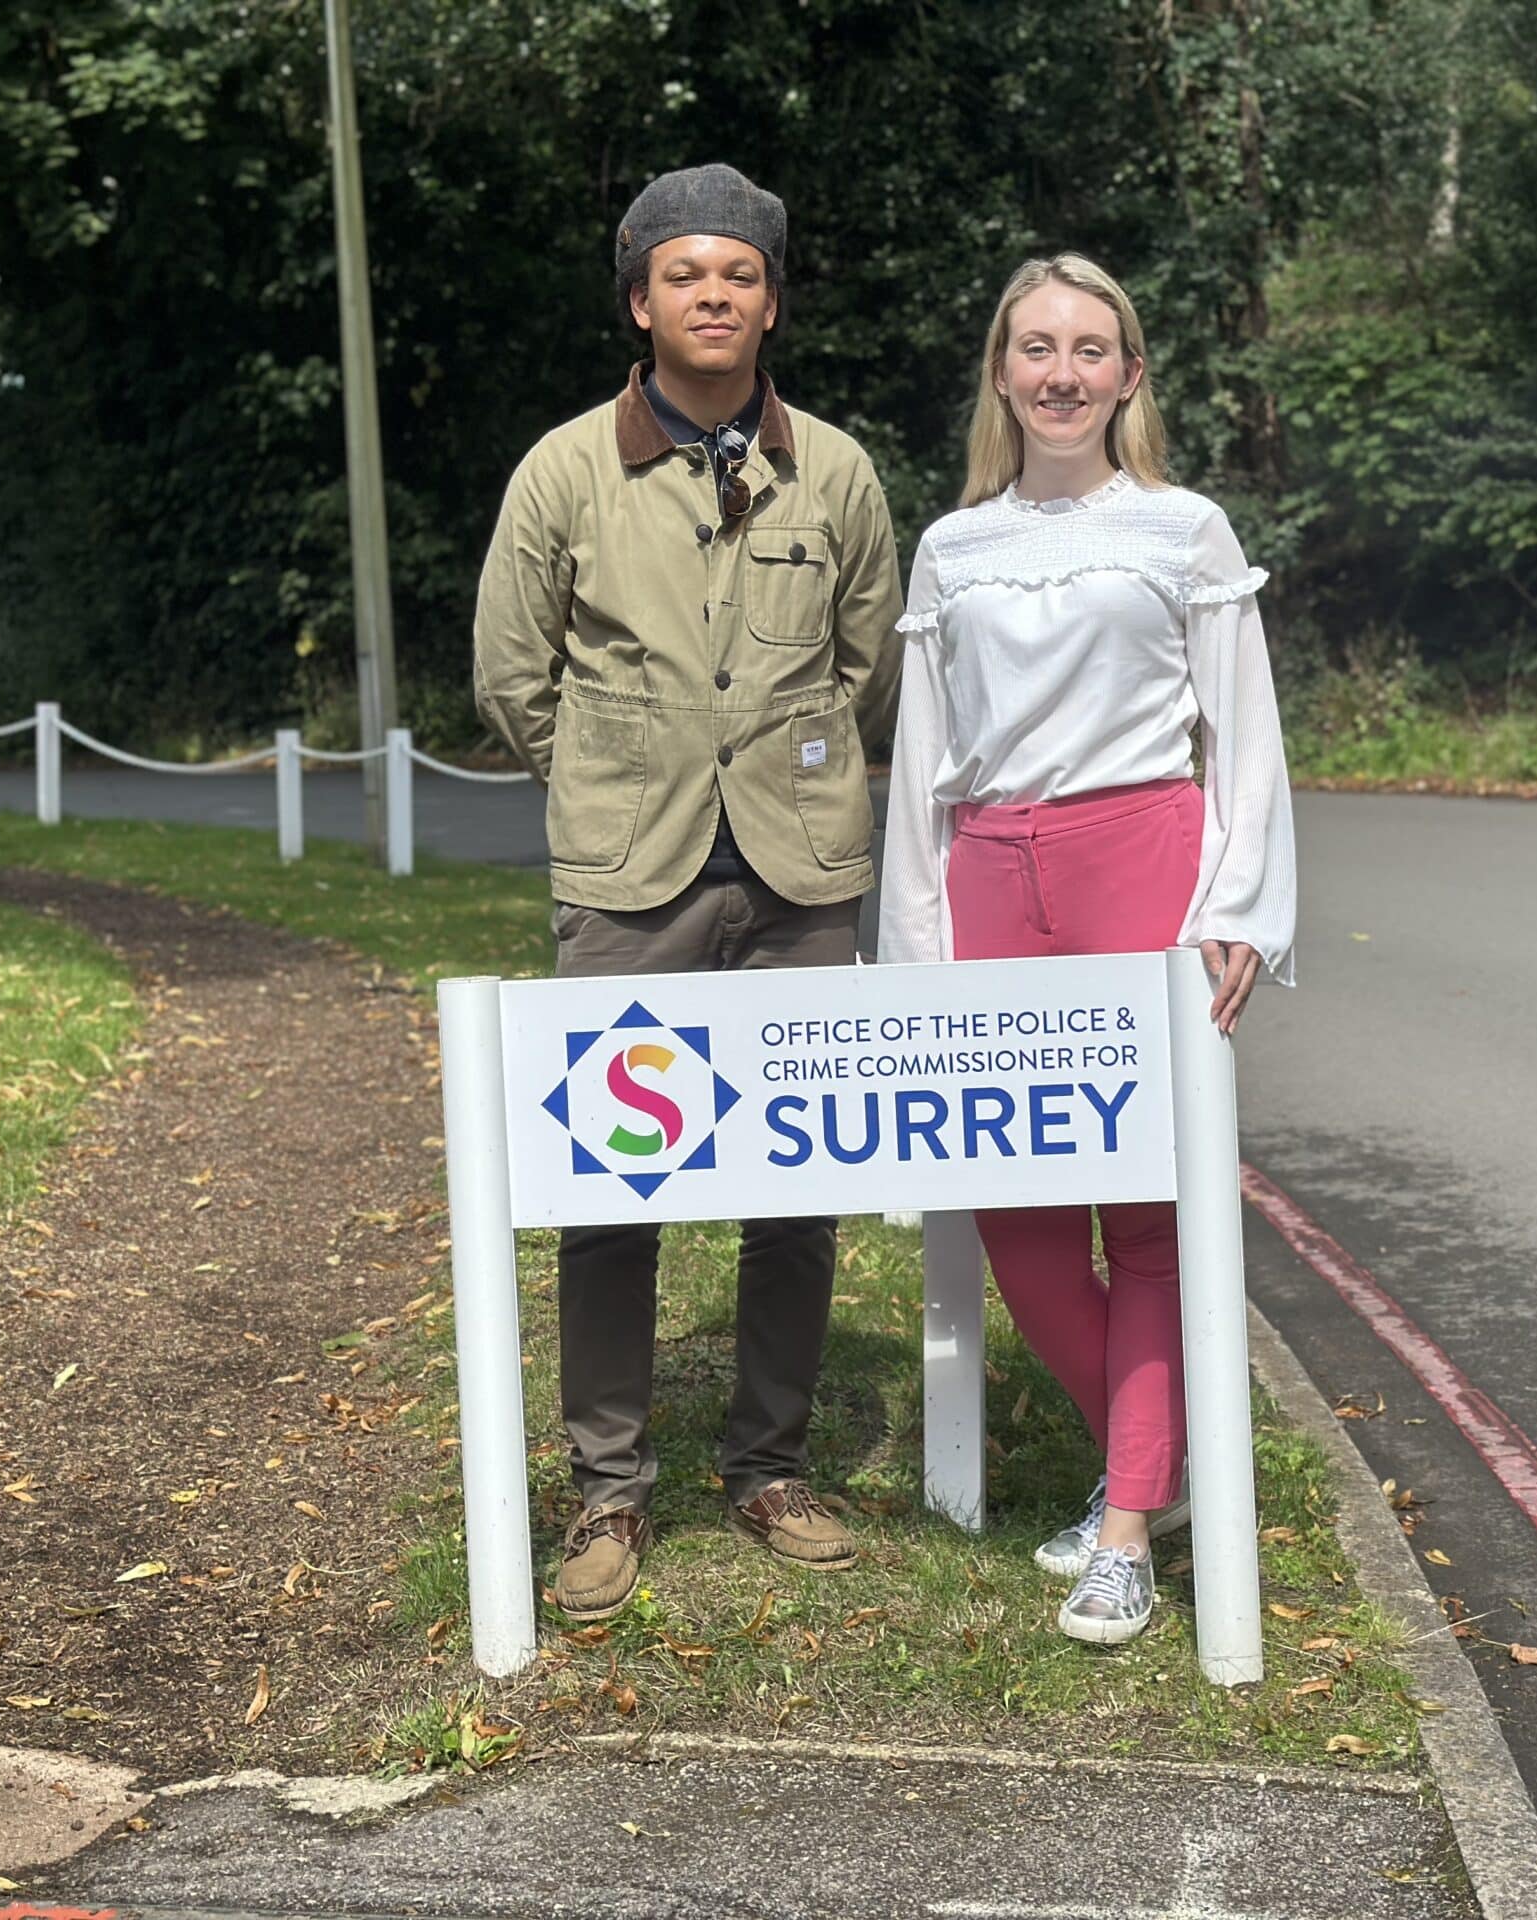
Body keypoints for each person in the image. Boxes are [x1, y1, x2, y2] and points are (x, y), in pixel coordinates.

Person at [473, 164, 904, 1622]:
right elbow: (512, 676)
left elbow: (868, 667)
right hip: (630, 877)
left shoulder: (834, 471)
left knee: (797, 1178)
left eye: (738, 275)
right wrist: (613, 779)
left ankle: (768, 1463)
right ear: (640, 300)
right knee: (616, 1177)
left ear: (771, 300)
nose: (711, 296)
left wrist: (783, 779)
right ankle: (610, 1489)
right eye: (683, 276)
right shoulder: (563, 473)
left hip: (798, 876)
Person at [877, 254, 1296, 1644]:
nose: (1063, 372)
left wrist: (1234, 903)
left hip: (1144, 865)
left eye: (1092, 349)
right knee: (1024, 1220)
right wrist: (916, 959)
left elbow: (1242, 735)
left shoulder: (1184, 529)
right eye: (1037, 347)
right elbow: (925, 769)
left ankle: (1126, 1528)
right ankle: (1154, 1462)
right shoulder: (952, 548)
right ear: (1002, 371)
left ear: (1128, 375)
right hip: (995, 877)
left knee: (1157, 1219)